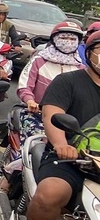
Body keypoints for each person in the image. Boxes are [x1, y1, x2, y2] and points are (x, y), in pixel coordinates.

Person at [25, 31, 100, 220]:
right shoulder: (68, 81)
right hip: (71, 160)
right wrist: (61, 144)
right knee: (50, 193)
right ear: (89, 53)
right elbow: (52, 114)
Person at [17, 21, 85, 151]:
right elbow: (24, 85)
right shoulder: (39, 60)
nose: (68, 42)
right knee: (34, 147)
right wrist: (30, 101)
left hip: (69, 121)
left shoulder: (81, 68)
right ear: (54, 39)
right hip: (36, 114)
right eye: (64, 38)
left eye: (72, 39)